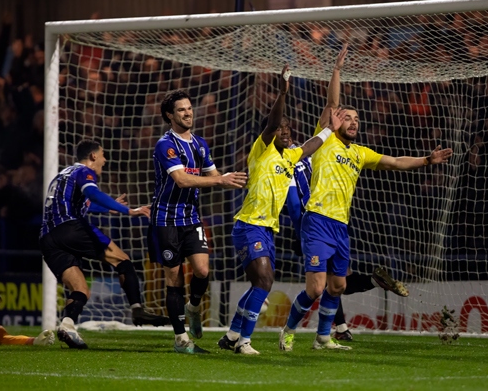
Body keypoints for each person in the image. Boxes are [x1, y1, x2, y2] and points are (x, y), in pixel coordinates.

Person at [279, 44, 453, 351]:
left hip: (340, 226)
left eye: (356, 118)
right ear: (335, 121)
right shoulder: (327, 139)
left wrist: (427, 160)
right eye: (347, 117)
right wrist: (336, 70)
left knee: (339, 285)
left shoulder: (360, 153)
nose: (353, 122)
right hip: (317, 219)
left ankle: (323, 338)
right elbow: (333, 101)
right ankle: (288, 331)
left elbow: (396, 162)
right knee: (316, 288)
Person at [217, 62, 345, 355]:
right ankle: (244, 343)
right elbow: (273, 123)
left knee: (258, 287)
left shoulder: (290, 157)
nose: (285, 132)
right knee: (264, 281)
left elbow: (311, 145)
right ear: (272, 133)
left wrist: (328, 130)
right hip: (249, 224)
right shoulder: (261, 151)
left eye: (289, 129)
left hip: (267, 229)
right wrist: (283, 92)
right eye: (281, 130)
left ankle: (232, 336)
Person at [40, 139, 168, 350]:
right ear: (92, 157)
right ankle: (137, 309)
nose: (105, 159)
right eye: (102, 154)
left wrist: (107, 208)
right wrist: (129, 210)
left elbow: (81, 203)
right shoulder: (84, 172)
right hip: (71, 228)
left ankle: (67, 325)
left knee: (80, 289)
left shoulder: (63, 174)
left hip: (48, 238)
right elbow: (92, 193)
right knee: (123, 260)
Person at [148, 89, 248, 354]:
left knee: (202, 271)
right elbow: (181, 179)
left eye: (189, 108)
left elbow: (214, 175)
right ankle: (181, 339)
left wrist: (234, 179)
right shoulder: (165, 144)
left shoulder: (200, 144)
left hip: (191, 217)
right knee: (174, 278)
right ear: (170, 115)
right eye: (181, 109)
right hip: (166, 219)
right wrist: (219, 179)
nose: (188, 112)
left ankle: (193, 308)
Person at [284, 136, 409, 342]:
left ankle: (301, 331)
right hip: (332, 219)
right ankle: (342, 324)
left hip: (314, 223)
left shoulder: (287, 161)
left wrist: (301, 233)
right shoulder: (315, 151)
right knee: (335, 283)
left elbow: (294, 205)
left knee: (328, 284)